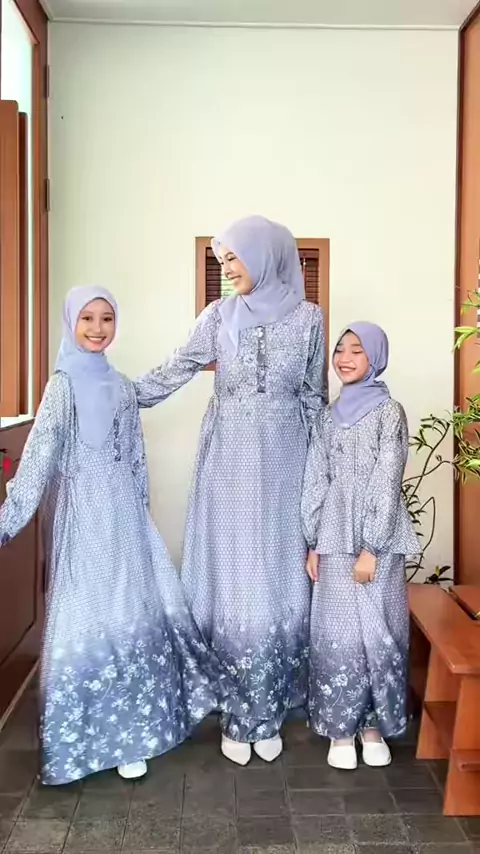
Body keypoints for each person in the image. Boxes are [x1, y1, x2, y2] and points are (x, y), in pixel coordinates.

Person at [0, 286, 226, 785]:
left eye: (106, 318)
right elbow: (36, 461)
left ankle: (132, 735)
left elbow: (136, 458)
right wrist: (7, 521)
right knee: (84, 620)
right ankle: (82, 742)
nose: (98, 328)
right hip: (82, 520)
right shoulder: (61, 388)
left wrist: (141, 518)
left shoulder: (123, 388)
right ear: (71, 323)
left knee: (130, 618)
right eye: (87, 318)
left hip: (126, 522)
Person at [134, 216, 327, 765]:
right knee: (236, 582)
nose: (227, 270)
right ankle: (237, 709)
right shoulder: (218, 316)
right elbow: (175, 369)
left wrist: (327, 476)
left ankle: (267, 706)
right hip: (228, 466)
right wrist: (115, 394)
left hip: (288, 462)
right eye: (221, 261)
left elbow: (315, 399)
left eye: (234, 258)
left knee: (279, 579)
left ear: (264, 255)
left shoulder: (310, 319)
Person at [301, 322, 420, 770]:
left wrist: (372, 547)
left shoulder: (390, 412)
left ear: (376, 356)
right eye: (340, 349)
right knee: (338, 634)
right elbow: (316, 478)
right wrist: (313, 542)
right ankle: (340, 728)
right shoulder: (326, 417)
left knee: (379, 631)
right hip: (333, 535)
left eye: (356, 349)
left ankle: (372, 726)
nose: (345, 358)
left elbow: (388, 479)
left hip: (379, 539)